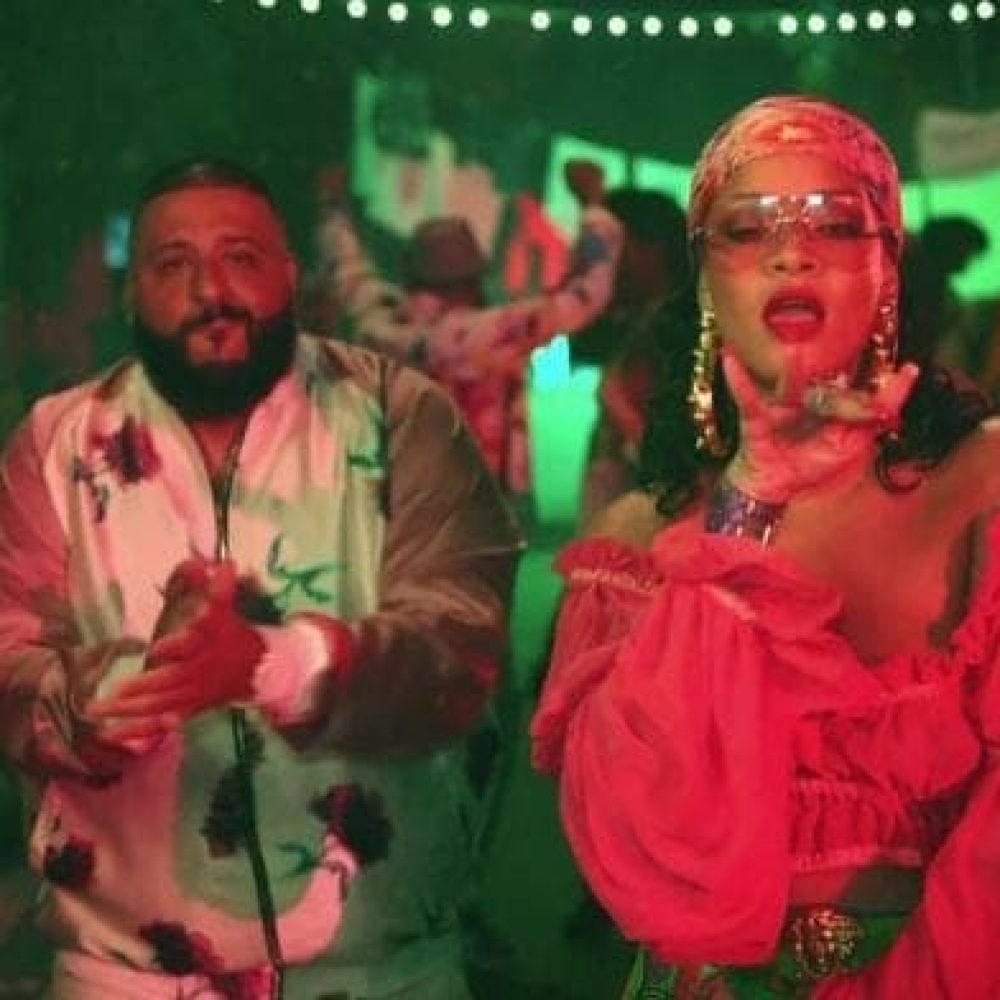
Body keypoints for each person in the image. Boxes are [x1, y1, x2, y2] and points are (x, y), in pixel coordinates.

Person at [0, 158, 522, 999]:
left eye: (240, 258)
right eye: (173, 264)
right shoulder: (57, 443)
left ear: (290, 273)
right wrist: (126, 689)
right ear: (132, 291)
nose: (210, 290)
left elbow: (460, 648)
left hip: (381, 970)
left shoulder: (401, 416)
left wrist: (274, 665)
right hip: (125, 975)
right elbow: (8, 658)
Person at [532, 94, 1000, 997]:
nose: (793, 253)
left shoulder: (985, 487)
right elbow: (637, 852)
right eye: (747, 231)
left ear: (887, 270)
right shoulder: (637, 538)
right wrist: (745, 508)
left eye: (835, 225)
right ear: (707, 284)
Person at [314, 161, 622, 510]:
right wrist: (593, 206)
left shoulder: (380, 322)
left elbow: (348, 272)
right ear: (471, 281)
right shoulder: (477, 337)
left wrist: (332, 206)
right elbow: (584, 297)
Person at [573, 187, 699, 528]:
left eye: (615, 247)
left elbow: (672, 450)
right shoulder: (638, 315)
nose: (607, 265)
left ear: (651, 248)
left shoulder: (677, 327)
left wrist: (618, 407)